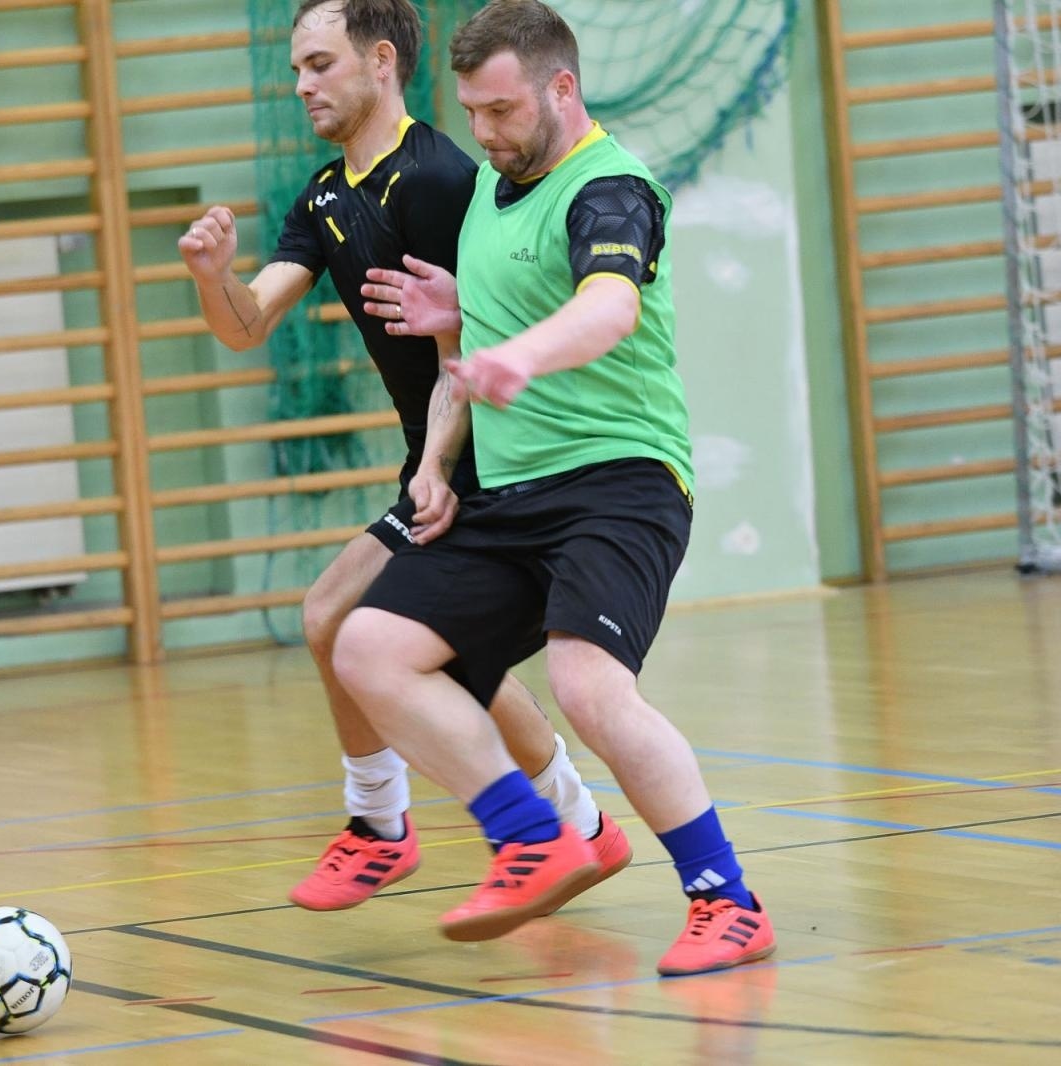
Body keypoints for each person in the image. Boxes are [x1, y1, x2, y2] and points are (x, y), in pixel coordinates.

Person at [333, 0, 774, 976]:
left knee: (585, 683)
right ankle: (530, 834)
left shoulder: (609, 187)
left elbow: (607, 306)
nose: (484, 134)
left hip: (621, 482)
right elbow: (480, 332)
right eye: (473, 114)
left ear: (560, 87)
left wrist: (518, 356)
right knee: (369, 645)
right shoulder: (494, 193)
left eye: (501, 111)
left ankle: (725, 899)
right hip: (513, 495)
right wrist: (437, 460)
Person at [177, 0, 629, 910]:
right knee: (439, 658)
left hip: (486, 454)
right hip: (437, 454)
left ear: (380, 61)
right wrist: (212, 277)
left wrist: (440, 466)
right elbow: (246, 327)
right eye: (297, 68)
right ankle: (576, 824)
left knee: (339, 618)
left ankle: (383, 823)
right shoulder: (326, 194)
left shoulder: (436, 179)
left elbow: (466, 336)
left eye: (318, 63)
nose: (301, 84)